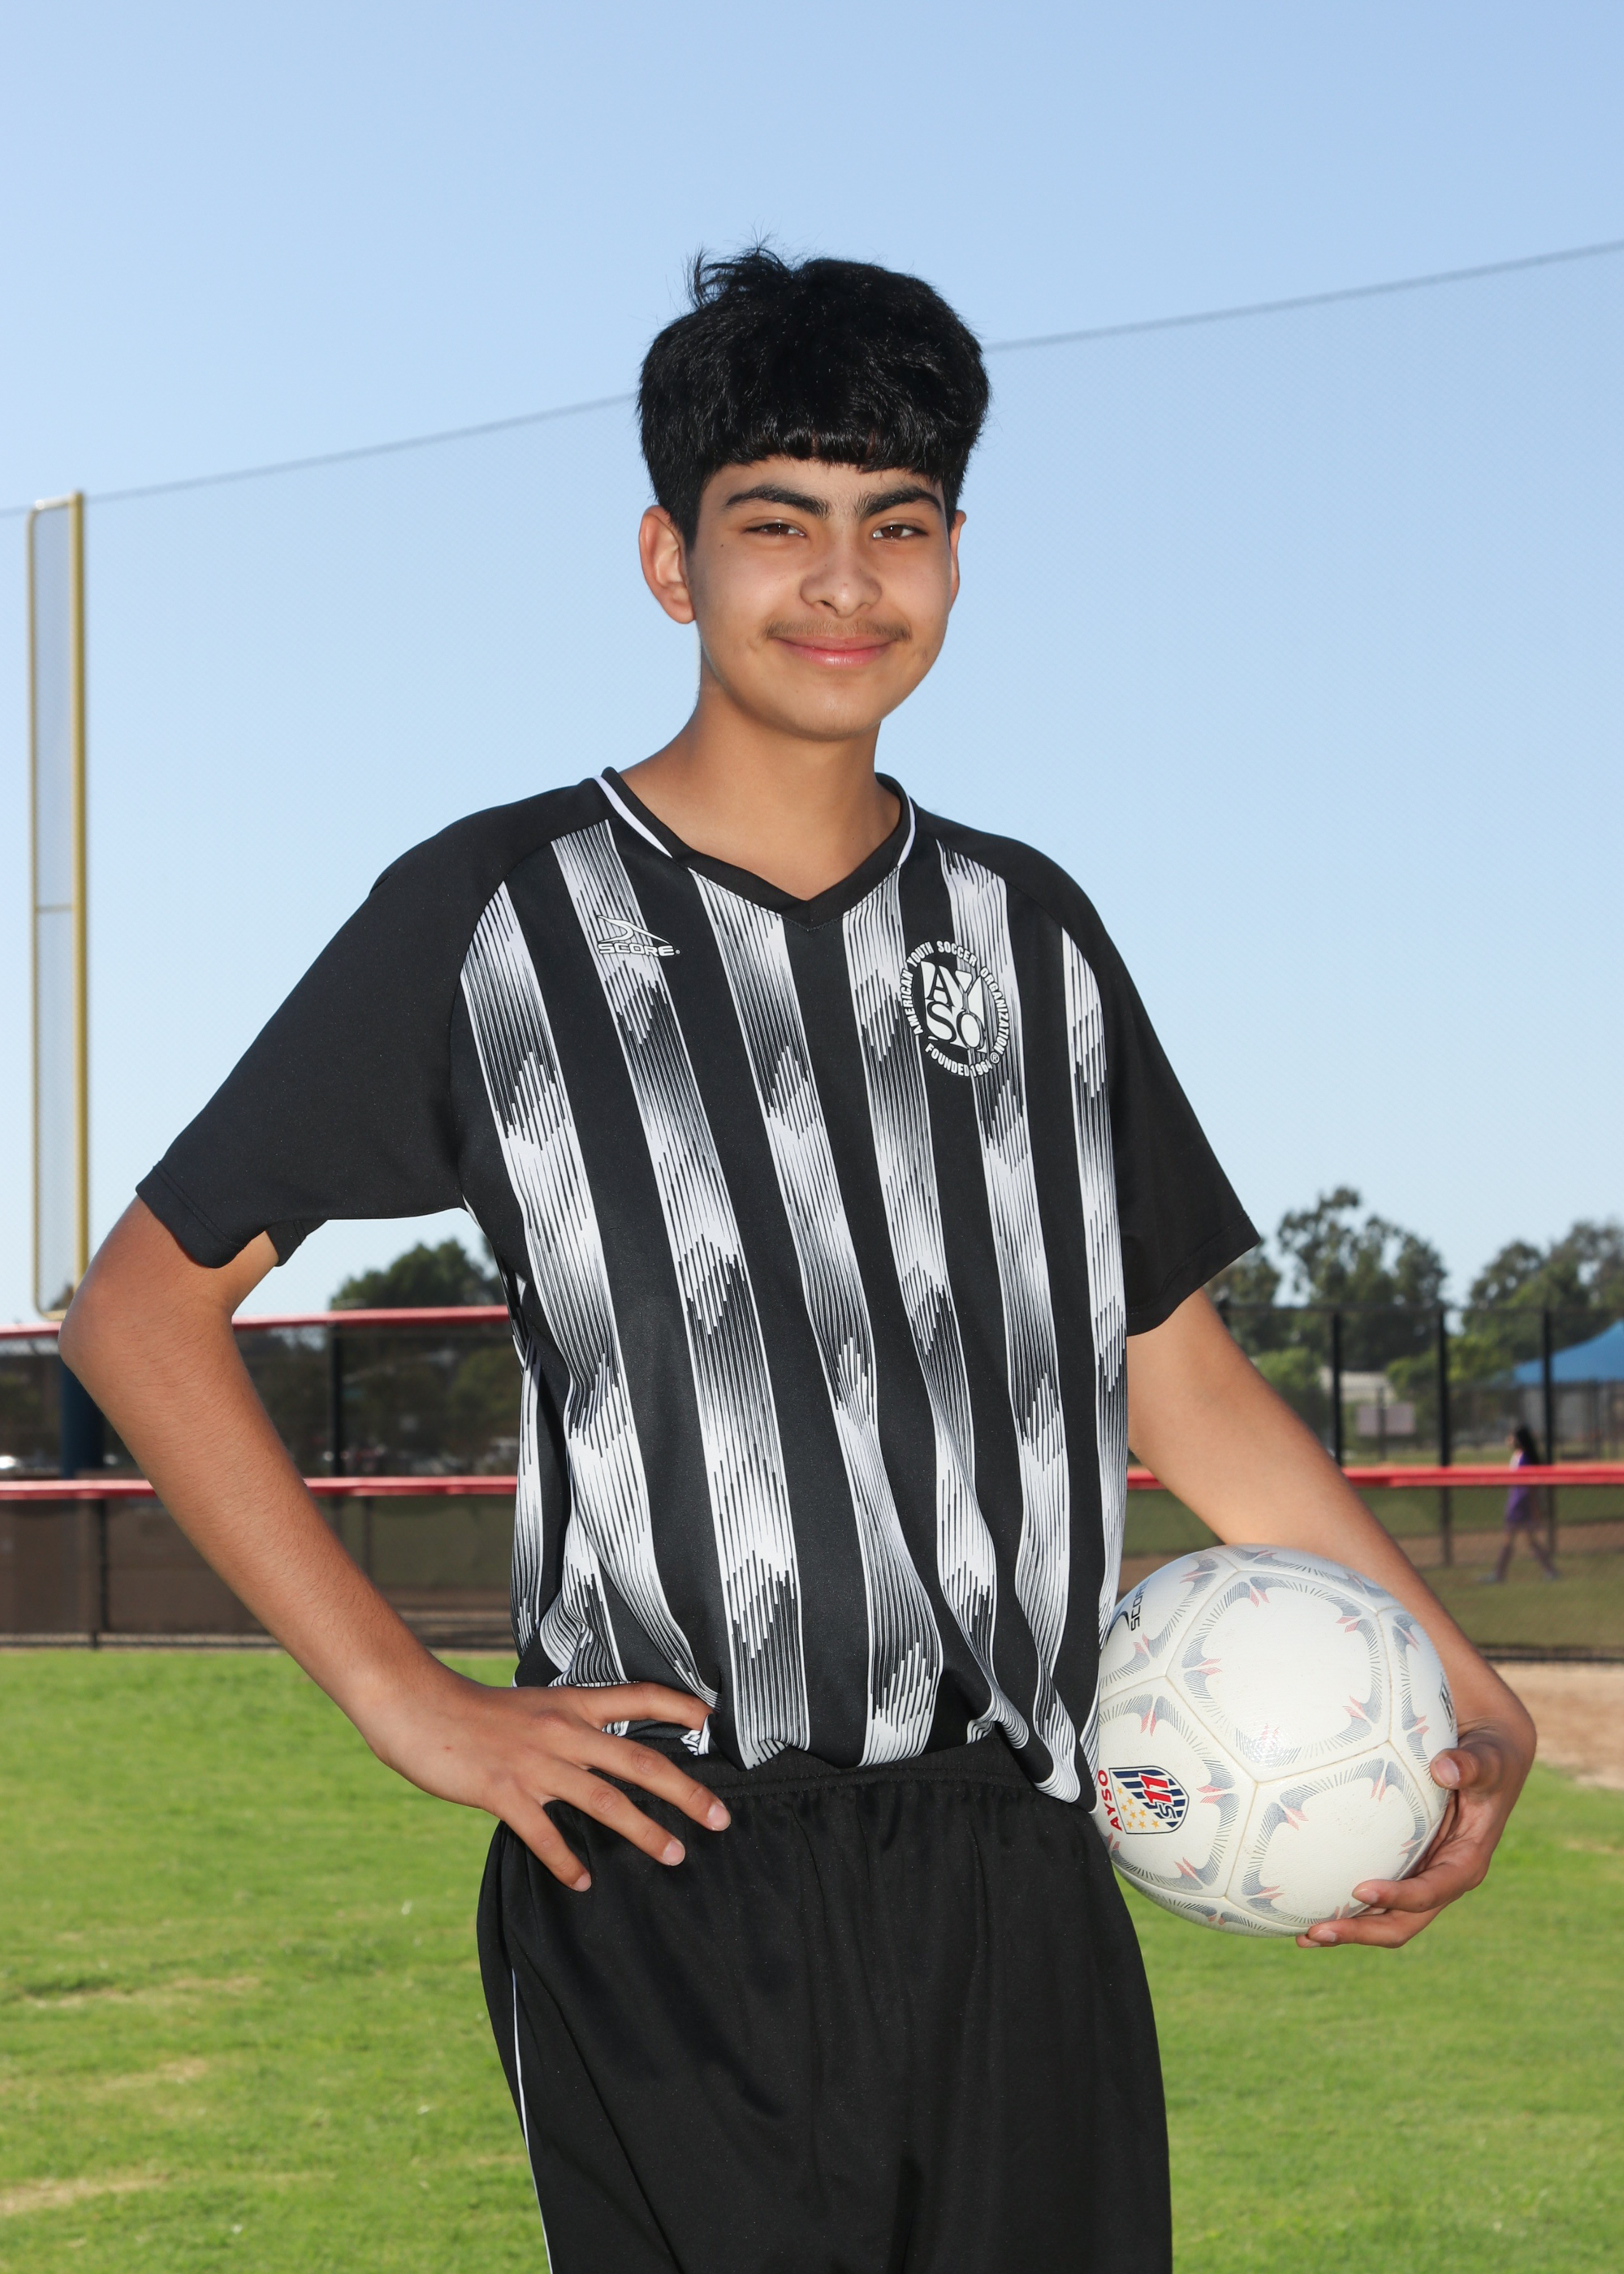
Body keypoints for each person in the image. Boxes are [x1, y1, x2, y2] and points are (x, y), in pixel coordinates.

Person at [60, 248, 1536, 2274]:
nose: (845, 582)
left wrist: (1471, 1695)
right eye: (778, 522)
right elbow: (138, 1310)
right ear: (668, 560)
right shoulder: (496, 914)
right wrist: (407, 1699)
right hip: (674, 1865)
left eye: (897, 525)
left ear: (953, 559)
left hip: (1019, 1869)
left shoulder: (1031, 936)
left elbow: (1175, 1378)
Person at [1487, 1421, 1560, 1583]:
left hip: (1520, 1505)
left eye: (1512, 1436)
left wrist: (1535, 1508)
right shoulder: (1518, 1456)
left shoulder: (1524, 1458)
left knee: (1511, 1541)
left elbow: (1530, 1487)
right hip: (1518, 1503)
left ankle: (1499, 1574)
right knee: (1529, 1541)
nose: (1509, 1440)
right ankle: (1550, 1571)